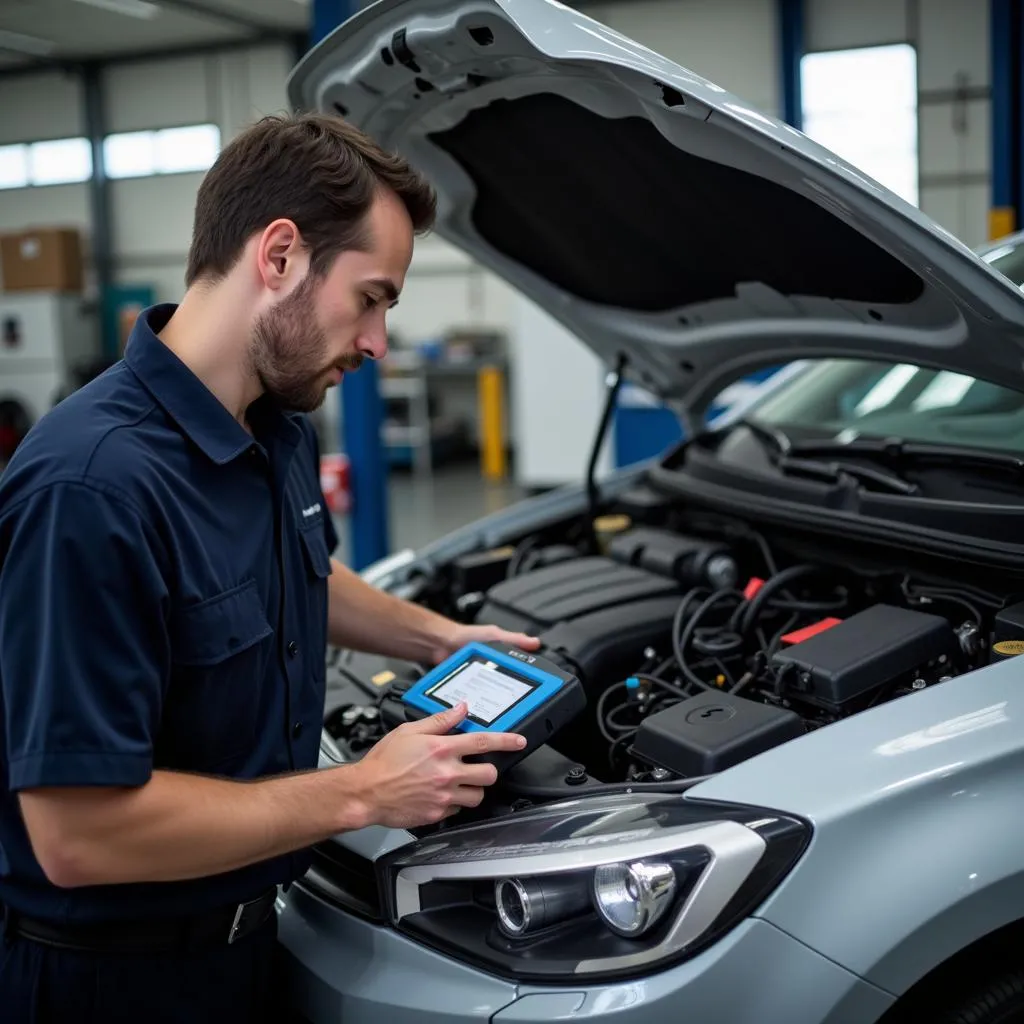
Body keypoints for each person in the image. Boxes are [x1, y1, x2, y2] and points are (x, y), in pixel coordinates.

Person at [0, 112, 538, 1022]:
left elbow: (303, 578)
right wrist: (363, 790)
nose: (376, 343)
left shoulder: (277, 426)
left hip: (253, 942)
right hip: (112, 984)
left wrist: (441, 635)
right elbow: (78, 835)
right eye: (370, 298)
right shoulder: (90, 490)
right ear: (280, 256)